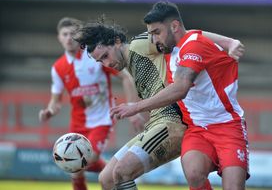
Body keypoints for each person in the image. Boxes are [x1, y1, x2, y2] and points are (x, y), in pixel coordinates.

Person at [74, 17, 245, 190]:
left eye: (105, 56)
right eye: (100, 61)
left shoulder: (138, 45)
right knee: (107, 178)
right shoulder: (131, 63)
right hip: (157, 124)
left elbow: (186, 35)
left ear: (117, 42)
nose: (107, 63)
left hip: (172, 122)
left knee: (122, 171)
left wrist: (229, 42)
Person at [38, 17, 137, 190]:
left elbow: (126, 77)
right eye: (65, 34)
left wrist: (133, 108)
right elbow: (56, 102)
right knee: (74, 168)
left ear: (80, 37)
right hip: (78, 123)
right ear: (59, 37)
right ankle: (111, 170)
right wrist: (49, 111)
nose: (69, 38)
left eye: (72, 34)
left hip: (102, 120)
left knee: (82, 161)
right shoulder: (58, 68)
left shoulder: (95, 57)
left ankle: (112, 172)